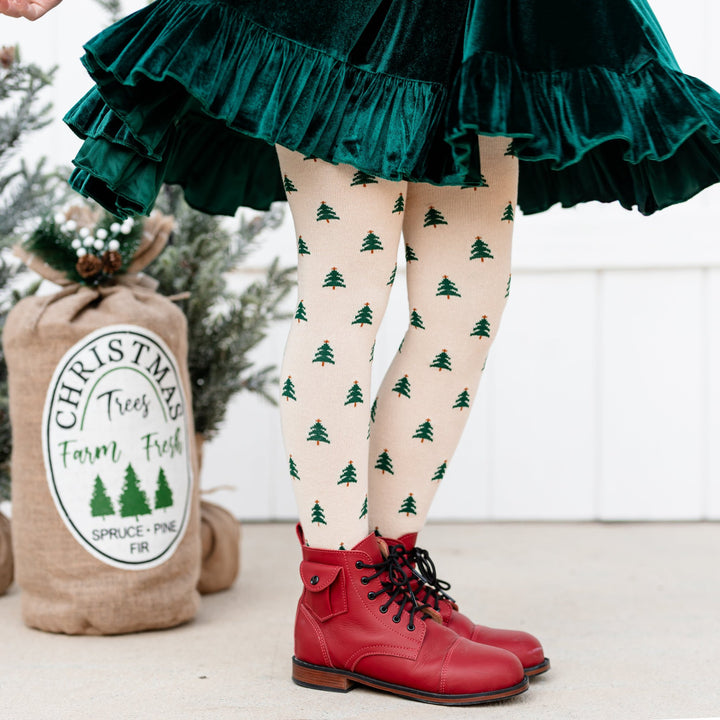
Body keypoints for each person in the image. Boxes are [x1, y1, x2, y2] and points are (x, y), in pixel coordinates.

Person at [4, 0, 720, 706]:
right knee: (348, 286)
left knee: (468, 297)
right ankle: (338, 597)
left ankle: (391, 574)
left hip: (481, 19)